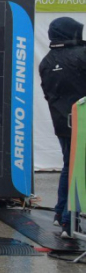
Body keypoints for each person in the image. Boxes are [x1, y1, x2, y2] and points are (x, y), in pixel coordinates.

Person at [39, 17, 86, 239]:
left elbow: (49, 94)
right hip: (82, 121)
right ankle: (70, 221)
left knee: (70, 166)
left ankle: (61, 213)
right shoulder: (81, 56)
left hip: (63, 123)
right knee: (79, 170)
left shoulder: (46, 61)